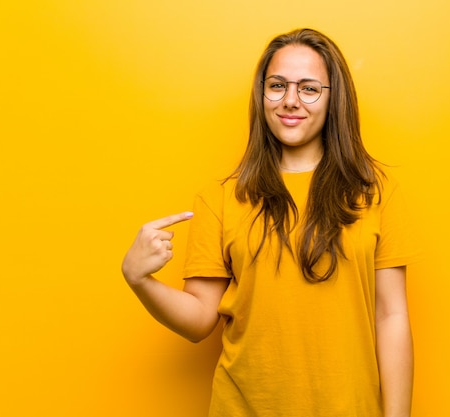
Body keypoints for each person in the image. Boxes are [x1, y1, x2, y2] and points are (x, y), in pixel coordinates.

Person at [122, 28, 419, 417]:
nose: (290, 101)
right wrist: (139, 279)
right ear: (262, 94)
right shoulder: (222, 200)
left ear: (335, 99)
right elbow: (198, 320)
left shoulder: (374, 193)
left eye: (309, 89)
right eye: (277, 85)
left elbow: (391, 315)